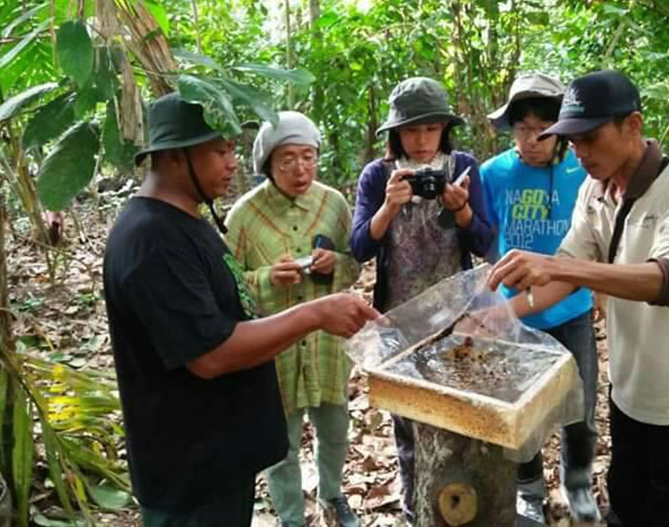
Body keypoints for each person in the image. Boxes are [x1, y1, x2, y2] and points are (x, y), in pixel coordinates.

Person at [103, 93, 377, 527]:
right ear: (175, 157)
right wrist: (314, 314)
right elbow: (211, 356)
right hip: (189, 477)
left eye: (232, 148)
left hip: (217, 461)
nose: (232, 162)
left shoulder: (187, 219)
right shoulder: (152, 241)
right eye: (218, 150)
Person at [488, 70, 669, 527]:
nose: (580, 152)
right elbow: (564, 271)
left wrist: (559, 267)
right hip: (627, 398)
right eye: (573, 140)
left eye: (590, 137)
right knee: (624, 514)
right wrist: (497, 316)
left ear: (634, 126)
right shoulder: (594, 191)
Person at [350, 77, 492, 524]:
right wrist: (388, 207)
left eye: (431, 129)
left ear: (445, 129)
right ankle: (416, 508)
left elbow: (486, 241)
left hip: (456, 314)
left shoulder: (464, 166)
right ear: (396, 134)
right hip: (399, 317)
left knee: (455, 412)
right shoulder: (378, 175)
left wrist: (462, 209)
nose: (422, 140)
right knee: (407, 420)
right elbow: (359, 248)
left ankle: (455, 502)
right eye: (412, 130)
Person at [224, 112, 362, 527]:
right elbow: (225, 280)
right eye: (287, 160)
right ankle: (290, 517)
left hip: (325, 343)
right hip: (275, 344)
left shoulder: (333, 203)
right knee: (279, 440)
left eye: (308, 157)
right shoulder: (245, 215)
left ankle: (332, 495)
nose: (300, 169)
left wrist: (333, 263)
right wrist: (267, 277)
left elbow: (354, 264)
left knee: (335, 425)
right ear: (267, 163)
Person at [480, 72, 600, 523]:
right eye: (522, 129)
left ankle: (578, 484)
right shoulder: (494, 173)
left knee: (580, 408)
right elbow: (486, 232)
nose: (532, 140)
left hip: (572, 309)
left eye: (542, 129)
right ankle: (529, 488)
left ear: (560, 133)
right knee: (520, 412)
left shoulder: (580, 171)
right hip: (516, 315)